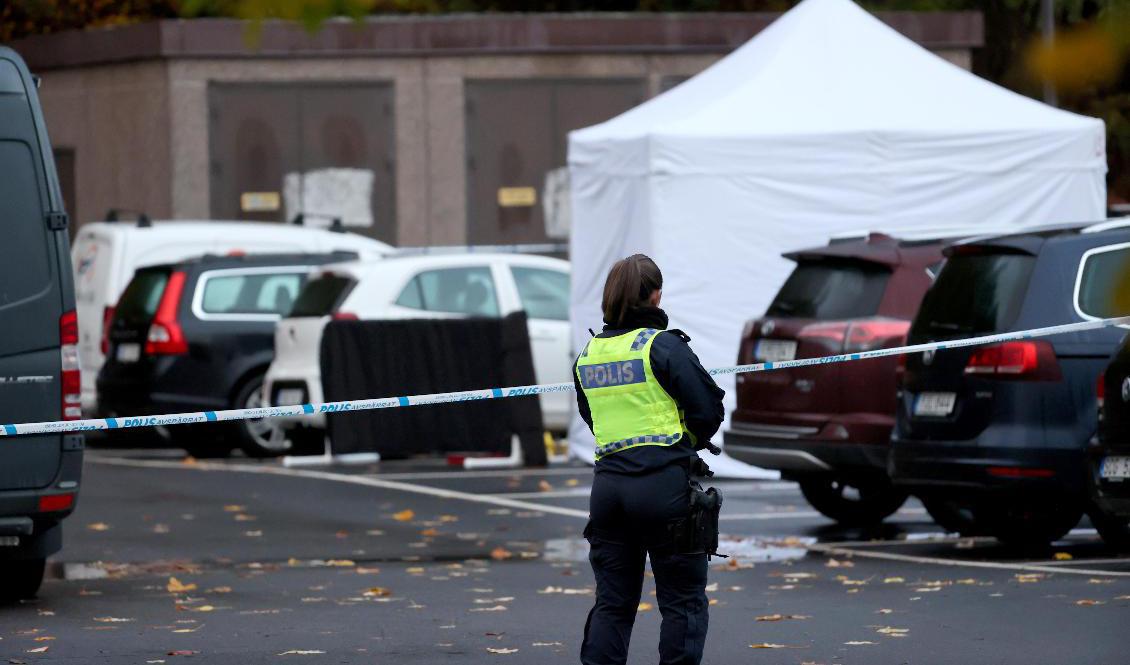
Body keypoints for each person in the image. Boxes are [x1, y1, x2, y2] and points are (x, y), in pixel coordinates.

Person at [574, 254, 725, 665]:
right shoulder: (663, 347)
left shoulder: (589, 355)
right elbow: (708, 410)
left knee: (613, 604)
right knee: (682, 603)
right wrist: (685, 441)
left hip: (608, 492)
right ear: (655, 296)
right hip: (663, 491)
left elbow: (592, 418)